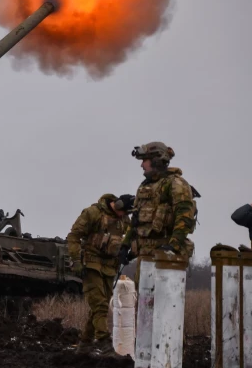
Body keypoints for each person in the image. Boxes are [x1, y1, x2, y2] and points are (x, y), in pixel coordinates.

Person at [118, 142, 197, 287]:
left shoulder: (176, 183)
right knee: (143, 303)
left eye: (144, 160)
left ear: (156, 160)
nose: (142, 165)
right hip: (145, 257)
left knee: (163, 303)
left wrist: (172, 247)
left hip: (165, 259)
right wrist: (125, 246)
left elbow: (184, 217)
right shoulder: (145, 186)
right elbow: (135, 220)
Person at [67, 193, 135, 355]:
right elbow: (74, 236)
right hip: (91, 264)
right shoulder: (92, 213)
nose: (124, 215)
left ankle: (85, 343)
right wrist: (76, 260)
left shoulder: (124, 219)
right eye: (123, 211)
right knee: (100, 305)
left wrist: (128, 253)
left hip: (110, 267)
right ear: (117, 205)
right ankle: (104, 342)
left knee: (100, 305)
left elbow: (129, 237)